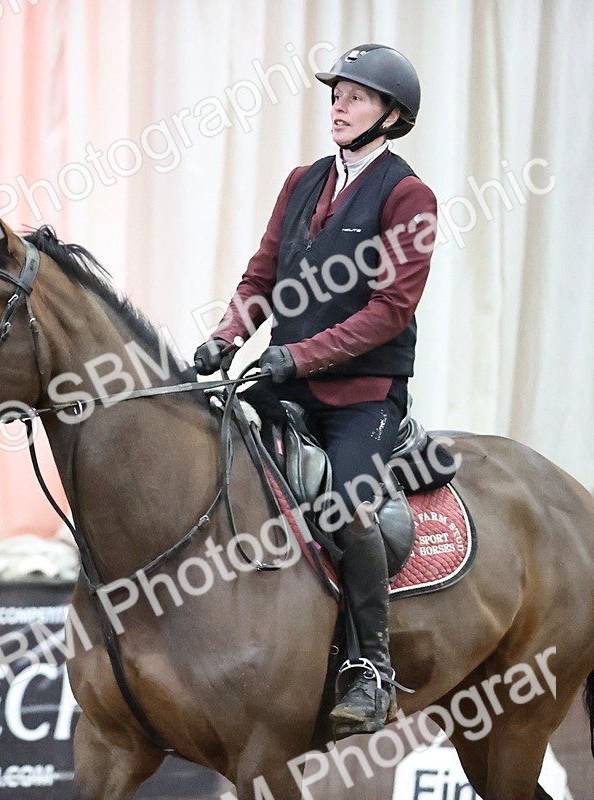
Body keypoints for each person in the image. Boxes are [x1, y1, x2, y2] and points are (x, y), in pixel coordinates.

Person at [193, 44, 437, 735]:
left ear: (391, 115)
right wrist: (227, 337)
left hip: (362, 396)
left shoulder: (407, 195)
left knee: (348, 509)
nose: (339, 104)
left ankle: (371, 666)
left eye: (356, 96)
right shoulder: (303, 181)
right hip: (284, 382)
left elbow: (389, 309)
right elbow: (261, 276)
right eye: (337, 93)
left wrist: (295, 356)